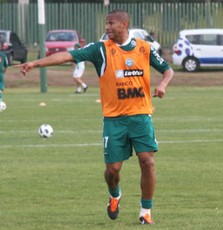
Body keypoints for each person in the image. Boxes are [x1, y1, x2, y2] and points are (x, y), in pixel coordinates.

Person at [14, 9, 173, 225]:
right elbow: (68, 56)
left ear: (124, 25)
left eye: (111, 24)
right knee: (112, 171)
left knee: (148, 162)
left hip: (141, 116)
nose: (107, 28)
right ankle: (115, 195)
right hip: (114, 120)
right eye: (106, 24)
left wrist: (163, 84)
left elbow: (167, 70)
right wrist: (35, 63)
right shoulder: (100, 50)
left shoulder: (144, 48)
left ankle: (145, 211)